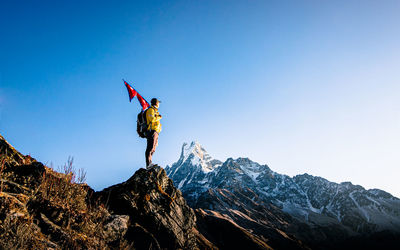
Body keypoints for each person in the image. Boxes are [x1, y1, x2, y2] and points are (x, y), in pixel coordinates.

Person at [145, 98, 162, 168]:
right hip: (152, 131)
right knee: (150, 147)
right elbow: (152, 119)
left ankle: (150, 162)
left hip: (156, 132)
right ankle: (148, 164)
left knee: (153, 149)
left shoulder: (155, 111)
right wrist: (158, 117)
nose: (159, 104)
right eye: (158, 102)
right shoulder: (150, 110)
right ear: (156, 103)